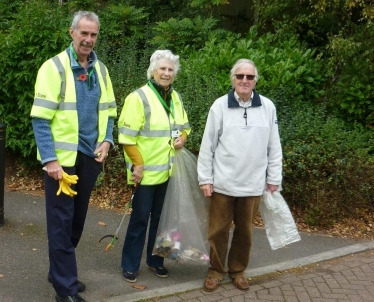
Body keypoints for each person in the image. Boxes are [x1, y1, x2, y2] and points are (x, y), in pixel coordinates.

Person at [30, 11, 116, 302]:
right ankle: (64, 290)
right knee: (60, 222)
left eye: (93, 35)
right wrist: (50, 160)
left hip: (90, 157)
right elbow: (40, 119)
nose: (88, 39)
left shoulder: (101, 70)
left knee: (76, 222)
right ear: (72, 32)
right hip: (62, 163)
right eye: (84, 33)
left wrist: (107, 140)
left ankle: (60, 272)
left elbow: (110, 111)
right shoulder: (52, 68)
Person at [197, 59, 282, 292]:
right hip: (223, 183)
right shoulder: (219, 106)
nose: (245, 80)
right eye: (240, 76)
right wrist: (205, 178)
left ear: (256, 81)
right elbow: (208, 146)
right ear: (232, 78)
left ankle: (237, 270)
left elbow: (274, 146)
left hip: (253, 184)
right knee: (217, 231)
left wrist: (274, 178)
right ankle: (215, 271)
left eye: (250, 77)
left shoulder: (268, 107)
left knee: (245, 232)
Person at [117, 49, 191, 283]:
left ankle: (156, 260)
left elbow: (185, 126)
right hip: (146, 173)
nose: (167, 73)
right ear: (152, 71)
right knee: (140, 219)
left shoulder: (175, 97)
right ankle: (129, 264)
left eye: (170, 69)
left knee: (165, 219)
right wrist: (137, 165)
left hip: (170, 172)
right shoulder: (138, 98)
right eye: (162, 69)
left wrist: (184, 138)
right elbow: (126, 137)